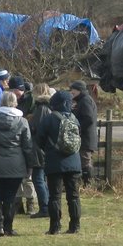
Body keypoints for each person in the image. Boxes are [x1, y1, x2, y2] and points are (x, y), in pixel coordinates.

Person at [0, 91, 36, 237]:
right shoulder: (22, 122)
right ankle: (8, 227)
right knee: (10, 197)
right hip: (15, 163)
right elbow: (28, 146)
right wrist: (30, 165)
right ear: (15, 102)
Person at [39, 90, 83, 234]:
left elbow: (40, 140)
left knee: (55, 196)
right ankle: (75, 225)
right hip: (74, 161)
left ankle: (55, 227)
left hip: (54, 162)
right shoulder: (74, 119)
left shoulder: (49, 119)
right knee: (74, 196)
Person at [9, 75, 37, 215]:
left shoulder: (31, 100)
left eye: (17, 90)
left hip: (27, 140)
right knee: (16, 175)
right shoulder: (12, 101)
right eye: (13, 90)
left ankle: (30, 203)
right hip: (15, 141)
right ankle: (18, 203)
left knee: (28, 176)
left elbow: (31, 119)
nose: (15, 93)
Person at [28, 84, 55, 219]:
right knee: (43, 179)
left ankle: (44, 207)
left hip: (39, 148)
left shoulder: (41, 108)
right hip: (46, 147)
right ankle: (48, 205)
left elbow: (36, 129)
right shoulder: (50, 107)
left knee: (38, 178)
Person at [70, 80, 98, 186]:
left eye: (73, 90)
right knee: (84, 162)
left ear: (79, 90)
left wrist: (78, 128)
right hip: (86, 137)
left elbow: (89, 119)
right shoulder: (83, 100)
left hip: (86, 138)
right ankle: (87, 185)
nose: (71, 92)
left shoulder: (85, 101)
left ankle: (89, 185)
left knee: (85, 162)